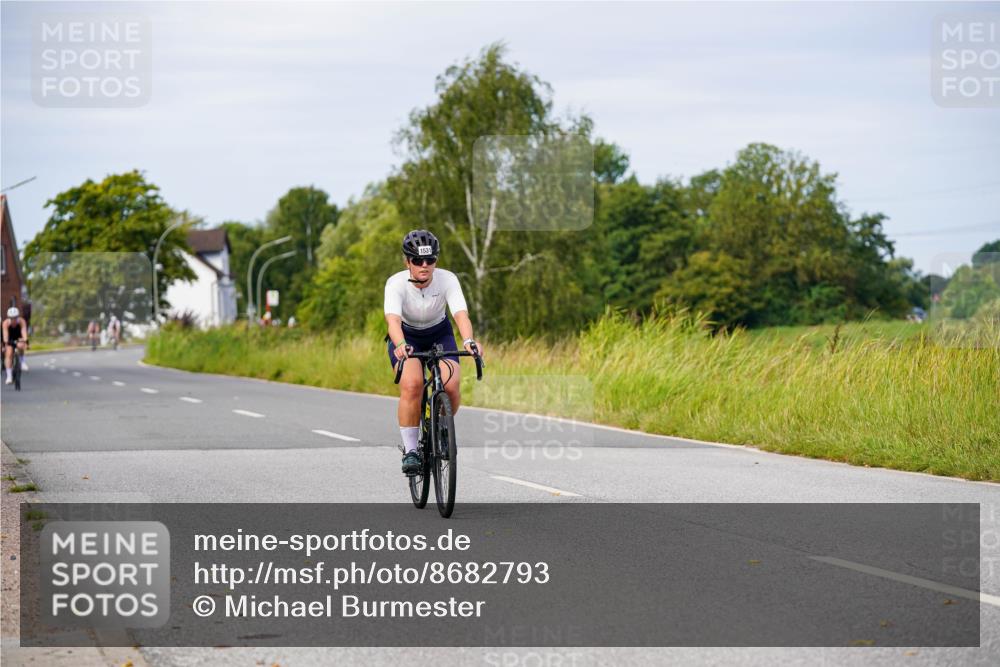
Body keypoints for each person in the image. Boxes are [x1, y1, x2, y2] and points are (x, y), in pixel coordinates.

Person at [384, 230, 483, 475]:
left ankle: (440, 424)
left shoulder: (447, 279)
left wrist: (469, 340)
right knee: (412, 384)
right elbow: (393, 322)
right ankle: (411, 451)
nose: (425, 266)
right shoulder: (395, 283)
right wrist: (400, 344)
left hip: (440, 333)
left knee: (451, 384)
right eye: (418, 261)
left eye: (430, 260)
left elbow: (460, 315)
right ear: (407, 261)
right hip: (407, 338)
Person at [2, 306, 29, 384]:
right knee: (9, 353)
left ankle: (22, 361)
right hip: (9, 337)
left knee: (21, 345)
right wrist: (6, 344)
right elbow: (5, 336)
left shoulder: (21, 321)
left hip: (18, 336)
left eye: (15, 317)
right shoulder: (6, 323)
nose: (13, 319)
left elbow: (24, 332)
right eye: (11, 318)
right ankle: (9, 376)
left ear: (17, 317)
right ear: (9, 317)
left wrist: (25, 341)